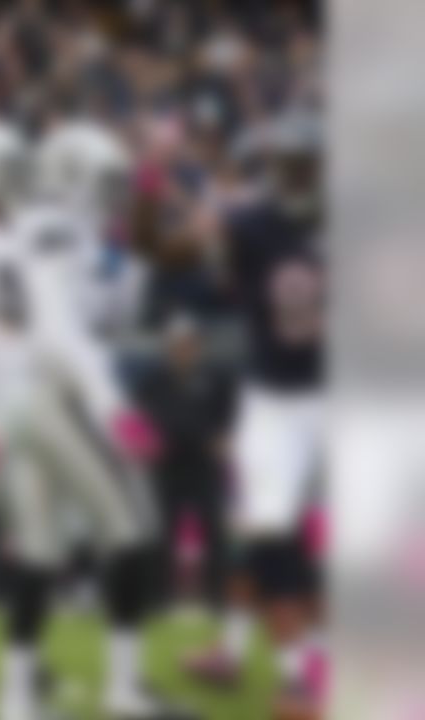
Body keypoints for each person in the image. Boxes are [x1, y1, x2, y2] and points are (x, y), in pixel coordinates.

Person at [0, 116, 186, 720]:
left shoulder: (61, 229)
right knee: (134, 529)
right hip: (57, 394)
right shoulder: (55, 227)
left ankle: (16, 701)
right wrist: (109, 403)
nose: (117, 191)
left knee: (41, 550)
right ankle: (125, 690)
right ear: (74, 176)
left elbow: (98, 315)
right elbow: (56, 331)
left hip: (32, 396)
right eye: (109, 179)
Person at [182, 110, 325, 720]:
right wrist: (192, 226)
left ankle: (302, 665)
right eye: (285, 162)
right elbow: (190, 254)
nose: (292, 173)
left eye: (303, 162)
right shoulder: (254, 223)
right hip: (276, 397)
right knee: (263, 530)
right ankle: (268, 663)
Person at [136, 315, 236, 610]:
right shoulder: (152, 380)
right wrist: (146, 446)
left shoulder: (218, 379)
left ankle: (217, 595)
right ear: (168, 347)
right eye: (177, 344)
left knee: (213, 528)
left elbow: (230, 418)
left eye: (189, 343)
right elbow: (140, 418)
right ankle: (159, 597)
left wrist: (224, 439)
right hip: (166, 465)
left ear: (199, 346)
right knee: (160, 530)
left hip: (204, 463)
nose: (183, 349)